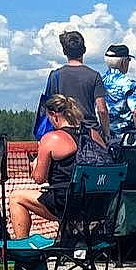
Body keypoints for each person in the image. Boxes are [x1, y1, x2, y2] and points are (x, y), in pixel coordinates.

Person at [6, 95, 82, 238]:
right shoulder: (92, 134)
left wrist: (33, 166)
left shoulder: (52, 138)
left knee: (16, 197)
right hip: (95, 203)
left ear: (54, 116)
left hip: (66, 204)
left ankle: (24, 251)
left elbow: (39, 178)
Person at [36, 30, 110, 147]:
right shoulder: (94, 75)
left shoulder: (55, 75)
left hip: (64, 134)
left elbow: (48, 108)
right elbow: (102, 110)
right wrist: (106, 134)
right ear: (84, 50)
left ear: (64, 51)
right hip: (90, 134)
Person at [101, 43, 136, 147]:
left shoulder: (99, 82)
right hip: (127, 139)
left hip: (104, 138)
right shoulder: (130, 85)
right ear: (124, 62)